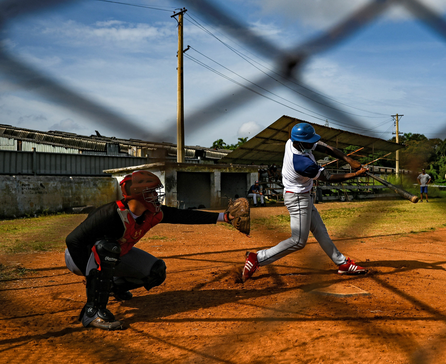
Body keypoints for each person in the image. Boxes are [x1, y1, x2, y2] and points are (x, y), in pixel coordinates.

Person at [65, 170, 250, 330]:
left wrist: (225, 217)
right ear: (137, 194)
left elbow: (183, 215)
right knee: (107, 247)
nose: (155, 195)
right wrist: (91, 275)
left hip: (114, 256)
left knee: (156, 272)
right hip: (79, 257)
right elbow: (73, 240)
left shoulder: (153, 212)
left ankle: (112, 287)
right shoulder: (109, 214)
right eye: (151, 192)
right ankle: (93, 312)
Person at [241, 122, 369, 282]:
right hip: (297, 199)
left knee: (321, 231)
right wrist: (356, 174)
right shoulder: (302, 163)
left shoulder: (292, 142)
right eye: (309, 142)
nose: (312, 144)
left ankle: (342, 263)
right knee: (298, 241)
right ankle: (257, 258)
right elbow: (329, 177)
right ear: (300, 143)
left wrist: (349, 160)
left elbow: (326, 148)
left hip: (303, 196)